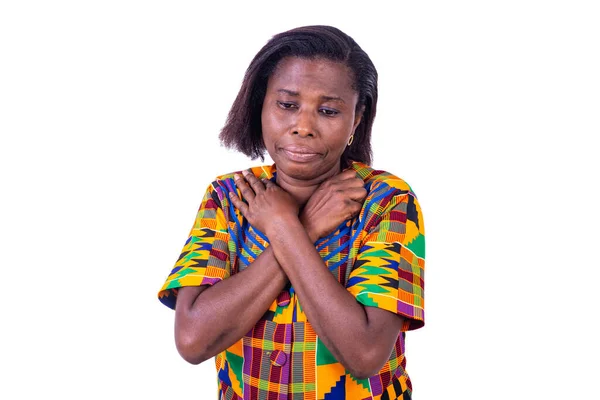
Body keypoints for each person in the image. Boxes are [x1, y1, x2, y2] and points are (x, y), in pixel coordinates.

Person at [158, 25, 425, 400]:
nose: (303, 127)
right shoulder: (228, 196)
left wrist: (282, 226)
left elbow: (365, 355)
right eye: (287, 105)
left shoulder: (386, 201)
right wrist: (302, 226)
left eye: (328, 110)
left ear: (357, 117)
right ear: (261, 105)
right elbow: (192, 340)